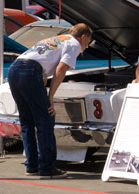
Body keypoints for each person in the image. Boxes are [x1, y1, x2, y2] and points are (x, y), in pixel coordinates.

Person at [8, 23, 92, 179]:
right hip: (30, 71)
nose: (86, 47)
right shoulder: (74, 43)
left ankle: (32, 166)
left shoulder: (56, 39)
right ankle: (47, 168)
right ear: (83, 37)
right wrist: (50, 98)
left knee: (27, 121)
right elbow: (60, 70)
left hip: (15, 69)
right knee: (45, 120)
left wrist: (43, 90)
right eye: (88, 42)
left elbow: (44, 71)